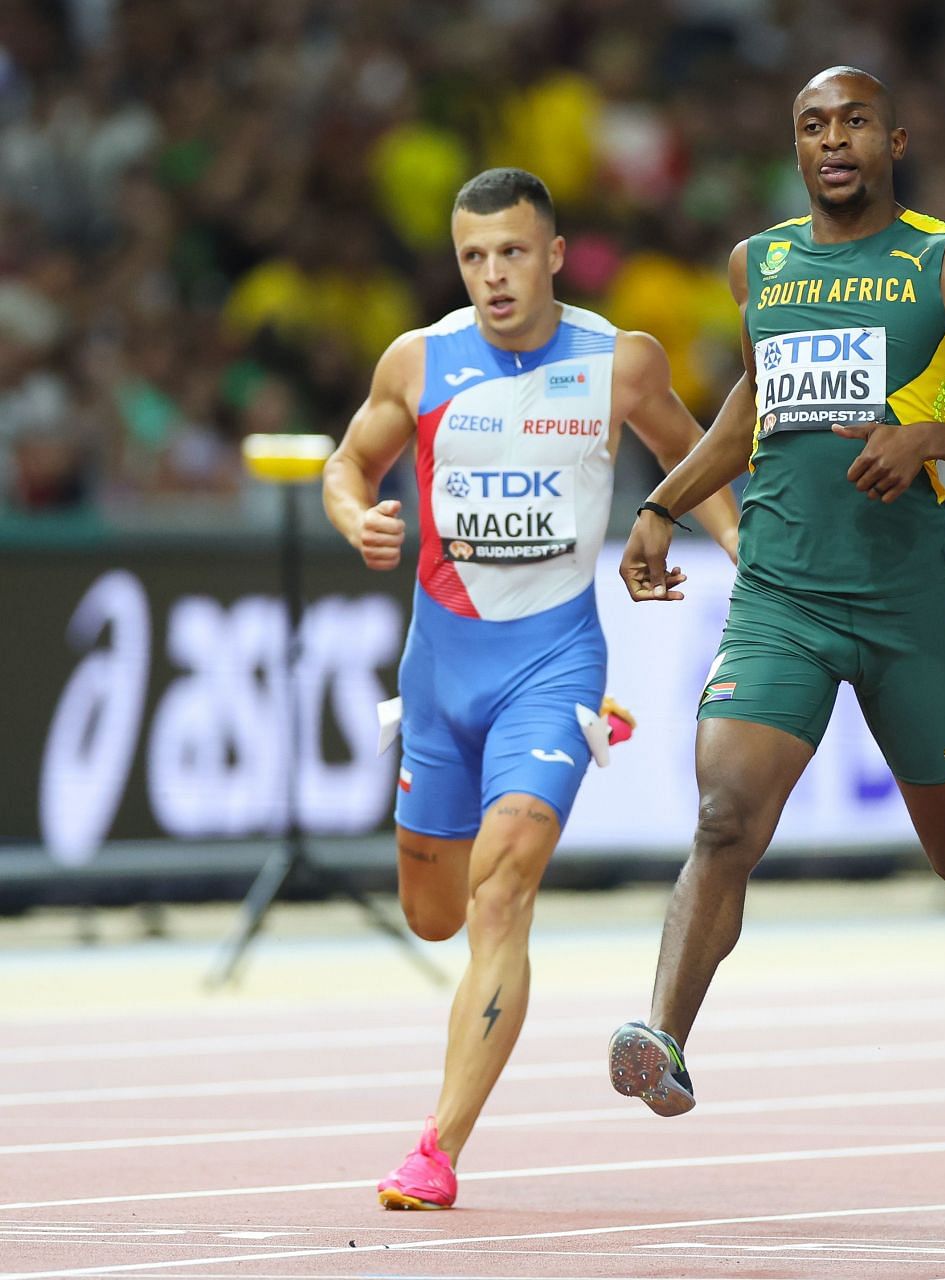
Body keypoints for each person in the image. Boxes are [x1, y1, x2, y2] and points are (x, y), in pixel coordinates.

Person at [604, 66, 945, 1115]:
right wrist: (664, 503)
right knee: (726, 816)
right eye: (813, 125)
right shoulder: (757, 264)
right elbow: (756, 402)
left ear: (893, 140)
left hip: (904, 607)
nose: (833, 141)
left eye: (854, 122)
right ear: (796, 145)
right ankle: (664, 1038)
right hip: (783, 596)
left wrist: (931, 438)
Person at [321, 167, 740, 1208]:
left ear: (554, 253)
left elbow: (693, 459)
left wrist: (751, 565)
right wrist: (351, 514)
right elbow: (349, 461)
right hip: (439, 672)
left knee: (501, 892)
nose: (495, 275)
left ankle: (437, 1148)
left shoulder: (618, 361)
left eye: (514, 252)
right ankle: (443, 905)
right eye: (474, 257)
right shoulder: (420, 360)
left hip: (555, 669)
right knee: (433, 910)